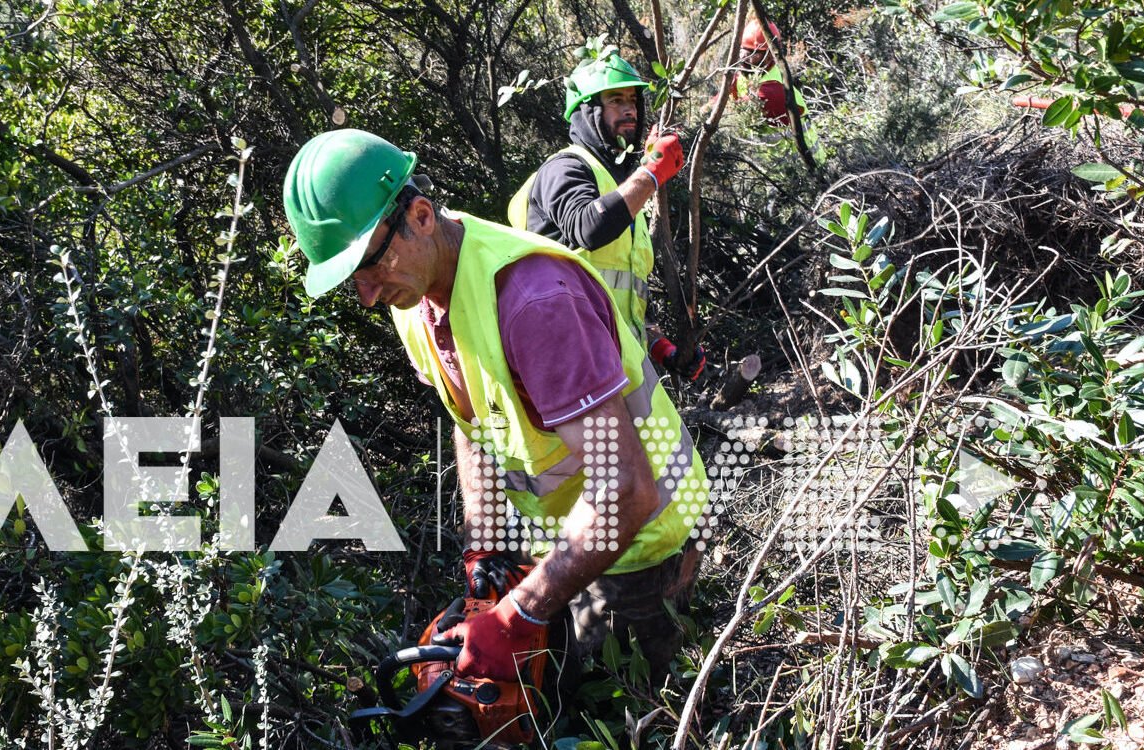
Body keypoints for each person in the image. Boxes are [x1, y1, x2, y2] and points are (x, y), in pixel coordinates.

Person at [283, 128, 710, 685]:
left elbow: (626, 490)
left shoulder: (535, 303)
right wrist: (484, 544)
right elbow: (473, 421)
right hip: (575, 536)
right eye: (351, 279)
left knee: (605, 708)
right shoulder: (414, 294)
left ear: (420, 215)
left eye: (369, 264)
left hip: (646, 542)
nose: (366, 293)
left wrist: (517, 613)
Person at [508, 49, 706, 382]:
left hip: (622, 362)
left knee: (670, 437)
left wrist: (660, 348)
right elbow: (588, 227)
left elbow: (623, 292)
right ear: (586, 111)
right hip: (573, 365)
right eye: (616, 100)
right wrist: (651, 173)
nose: (629, 109)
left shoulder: (619, 188)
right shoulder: (564, 167)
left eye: (633, 100)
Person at [731, 19, 806, 126]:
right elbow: (716, 104)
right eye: (742, 49)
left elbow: (730, 117)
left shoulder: (773, 89)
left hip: (792, 142)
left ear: (770, 55)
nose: (743, 57)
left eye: (753, 53)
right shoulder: (743, 75)